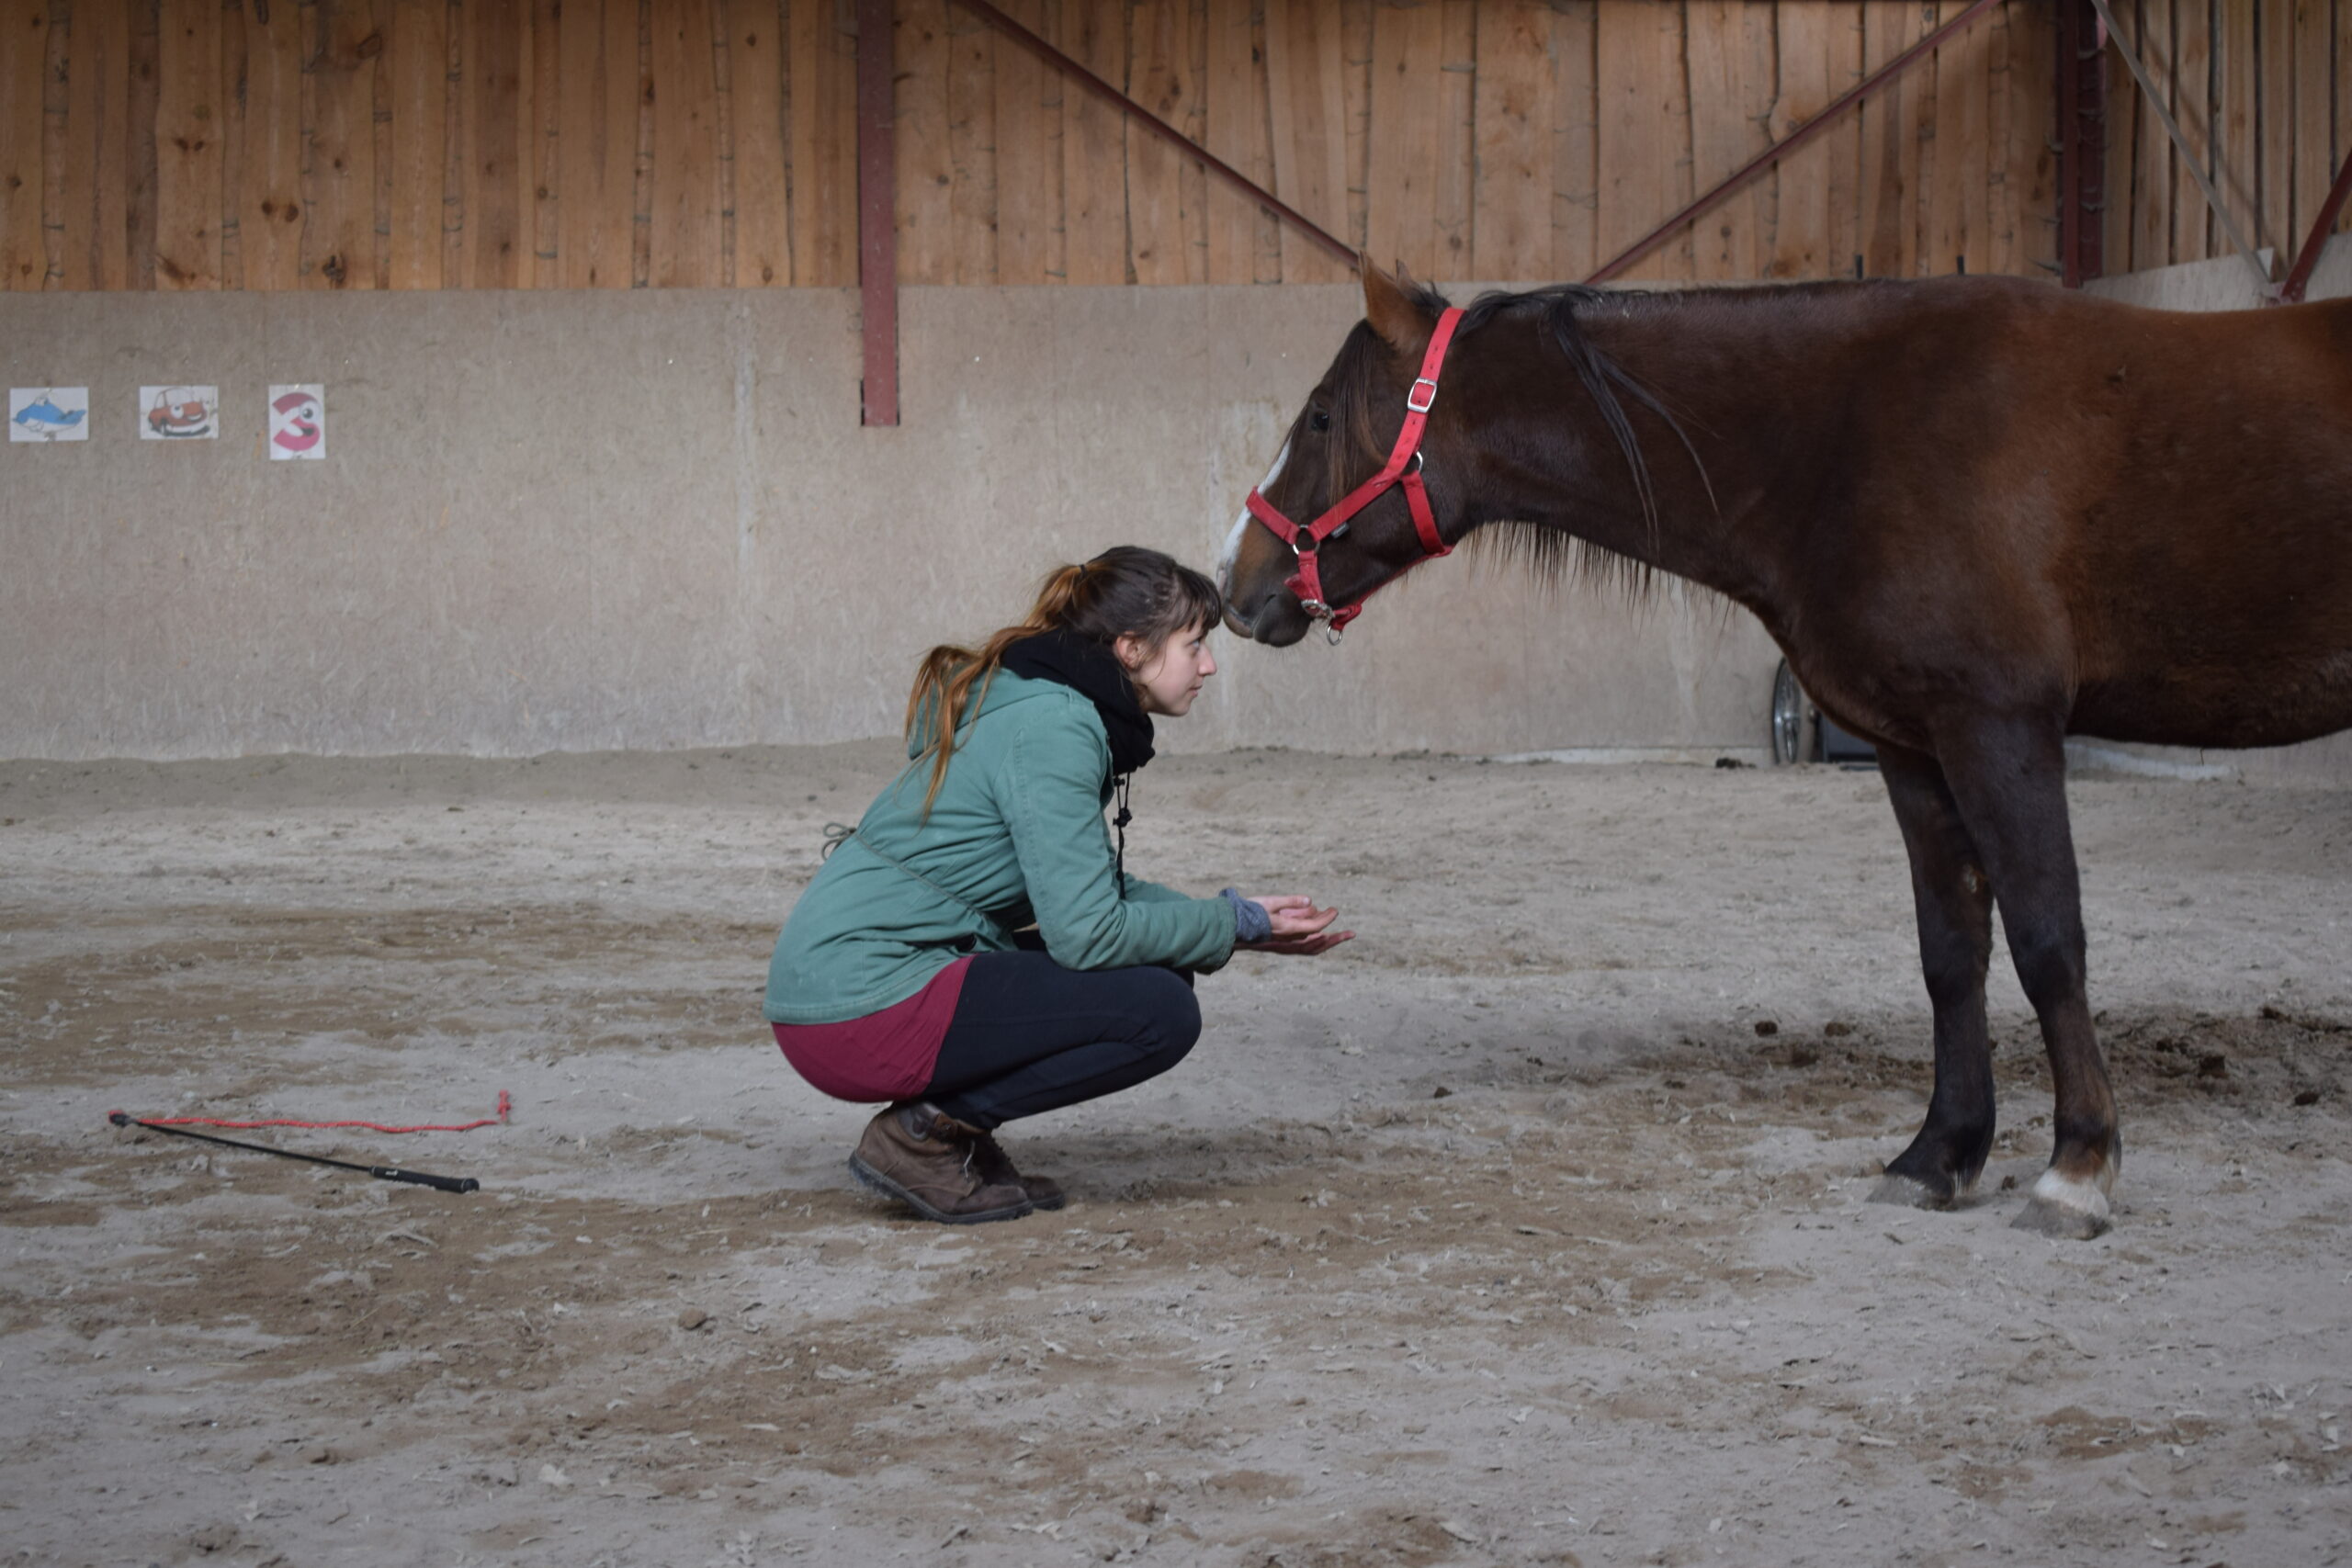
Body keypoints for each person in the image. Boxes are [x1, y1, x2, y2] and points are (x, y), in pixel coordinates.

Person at [765, 546, 1351, 1224]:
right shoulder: (1056, 726)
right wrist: (1233, 925)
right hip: (856, 1005)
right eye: (1195, 645)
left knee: (1164, 974)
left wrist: (1241, 918)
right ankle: (924, 1134)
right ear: (1130, 649)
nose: (1209, 665)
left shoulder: (1049, 705)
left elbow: (1093, 889)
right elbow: (1089, 933)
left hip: (851, 988)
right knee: (1159, 1011)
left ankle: (948, 1135)